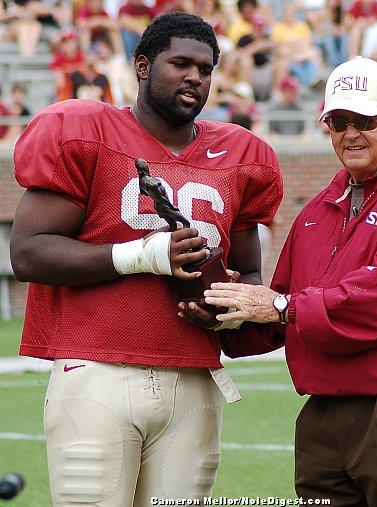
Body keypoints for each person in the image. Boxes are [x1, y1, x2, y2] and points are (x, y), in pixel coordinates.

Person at [10, 12, 283, 505]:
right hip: (96, 371)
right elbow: (29, 251)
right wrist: (146, 255)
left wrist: (225, 310)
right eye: (180, 63)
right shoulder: (86, 131)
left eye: (205, 69)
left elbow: (251, 275)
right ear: (141, 65)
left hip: (195, 378)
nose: (194, 77)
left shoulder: (242, 154)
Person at [201, 57, 377, 505]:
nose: (350, 133)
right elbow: (282, 305)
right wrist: (227, 312)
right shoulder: (318, 211)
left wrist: (279, 307)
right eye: (339, 120)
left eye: (364, 119)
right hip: (325, 408)